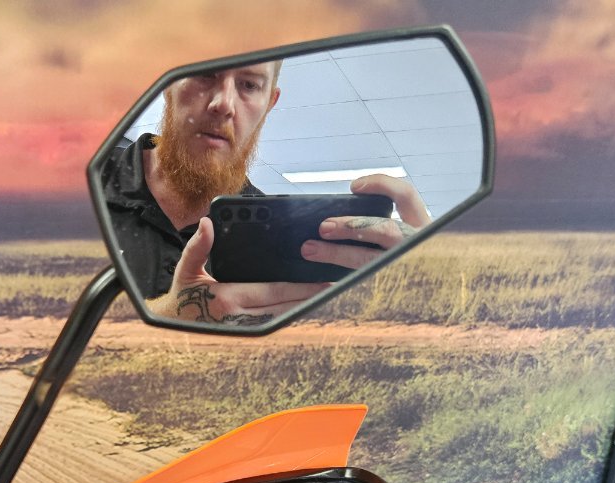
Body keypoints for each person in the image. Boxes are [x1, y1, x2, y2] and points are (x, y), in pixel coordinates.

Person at [100, 59, 431, 325]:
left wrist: (419, 298)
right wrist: (165, 316)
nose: (224, 104)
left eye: (248, 85)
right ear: (167, 81)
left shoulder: (279, 234)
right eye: (205, 73)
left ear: (270, 102)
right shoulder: (85, 183)